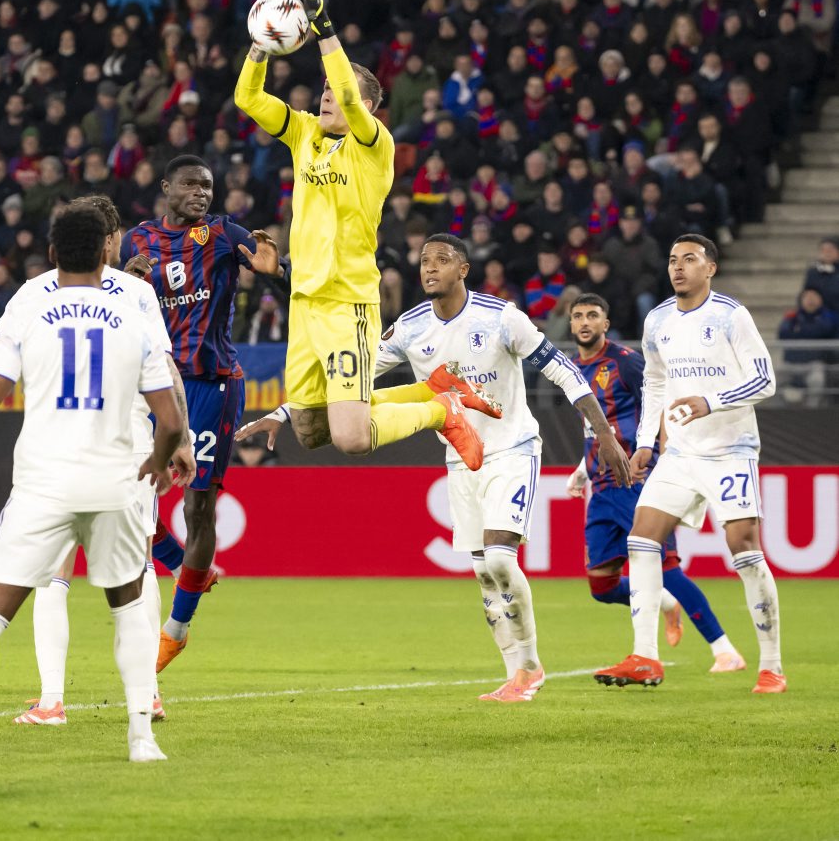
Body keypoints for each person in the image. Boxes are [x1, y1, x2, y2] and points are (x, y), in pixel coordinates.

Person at [236, 234, 632, 702]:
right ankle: (516, 675)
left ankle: (529, 667)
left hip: (511, 448)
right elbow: (353, 383)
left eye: (442, 260)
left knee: (500, 559)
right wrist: (284, 412)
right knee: (484, 573)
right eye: (425, 260)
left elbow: (563, 369)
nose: (429, 268)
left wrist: (604, 434)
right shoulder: (410, 327)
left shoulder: (501, 317)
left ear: (463, 269)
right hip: (460, 459)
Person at [0, 203, 187, 768]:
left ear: (53, 252)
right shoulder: (134, 313)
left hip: (45, 485)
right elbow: (170, 417)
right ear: (107, 251)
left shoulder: (29, 304)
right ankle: (142, 739)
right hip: (116, 480)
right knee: (130, 604)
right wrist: (161, 459)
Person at [234, 0, 495, 472]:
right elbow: (247, 97)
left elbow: (351, 99)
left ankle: (441, 410)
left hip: (346, 302)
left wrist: (322, 24)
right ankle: (435, 387)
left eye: (341, 91)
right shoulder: (303, 132)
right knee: (311, 431)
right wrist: (262, 39)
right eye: (326, 89)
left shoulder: (375, 145)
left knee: (352, 438)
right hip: (304, 300)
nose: (329, 96)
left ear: (369, 107)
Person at [595, 234, 784, 694]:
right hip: (679, 453)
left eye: (690, 259)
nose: (678, 267)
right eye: (673, 259)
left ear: (710, 268)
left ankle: (771, 667)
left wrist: (710, 401)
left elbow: (765, 380)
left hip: (730, 449)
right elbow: (655, 384)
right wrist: (645, 443)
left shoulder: (730, 315)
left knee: (744, 549)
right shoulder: (658, 319)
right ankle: (645, 656)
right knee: (642, 538)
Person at [120, 154, 287, 671]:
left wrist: (276, 271)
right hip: (153, 386)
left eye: (207, 186)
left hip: (212, 384)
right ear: (166, 187)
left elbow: (281, 279)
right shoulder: (137, 241)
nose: (201, 193)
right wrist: (124, 281)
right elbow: (115, 305)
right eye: (191, 185)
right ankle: (181, 565)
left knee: (197, 508)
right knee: (125, 495)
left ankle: (176, 629)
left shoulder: (222, 233)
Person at [567, 293, 746, 672]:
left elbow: (659, 403)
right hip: (601, 487)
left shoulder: (625, 362)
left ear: (605, 324)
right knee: (601, 585)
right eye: (578, 316)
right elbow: (595, 427)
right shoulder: (573, 369)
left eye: (593, 315)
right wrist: (583, 468)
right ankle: (666, 602)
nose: (585, 322)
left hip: (636, 481)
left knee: (666, 567)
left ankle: (725, 650)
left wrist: (657, 457)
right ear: (570, 324)